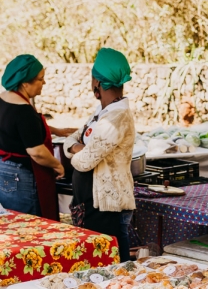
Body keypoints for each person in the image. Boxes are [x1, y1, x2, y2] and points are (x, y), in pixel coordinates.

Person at [63, 48, 136, 262]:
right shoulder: (102, 111)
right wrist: (77, 147)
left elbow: (85, 162)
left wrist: (76, 149)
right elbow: (72, 138)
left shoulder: (116, 118)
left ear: (97, 82)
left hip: (106, 207)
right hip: (92, 204)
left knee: (109, 267)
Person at [0, 54, 65, 219]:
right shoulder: (23, 111)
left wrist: (55, 130)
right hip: (20, 176)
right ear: (24, 82)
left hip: (4, 168)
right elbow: (36, 152)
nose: (44, 83)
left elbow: (16, 129)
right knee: (28, 223)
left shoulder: (3, 99)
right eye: (40, 79)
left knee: (12, 221)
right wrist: (57, 165)